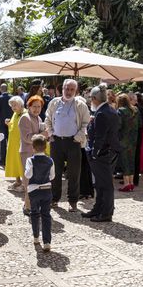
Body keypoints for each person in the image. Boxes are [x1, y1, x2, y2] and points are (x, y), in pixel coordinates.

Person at [44, 79, 91, 212]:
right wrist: (51, 134)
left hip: (73, 142)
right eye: (66, 89)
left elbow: (86, 123)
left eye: (71, 89)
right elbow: (47, 119)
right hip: (56, 142)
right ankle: (54, 198)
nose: (69, 92)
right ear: (62, 89)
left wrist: (78, 137)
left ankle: (72, 201)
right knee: (55, 172)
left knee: (74, 173)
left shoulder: (80, 105)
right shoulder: (54, 102)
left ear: (75, 91)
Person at [82, 84, 120, 222]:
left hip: (103, 153)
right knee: (100, 183)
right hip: (108, 151)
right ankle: (98, 208)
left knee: (105, 184)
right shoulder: (108, 109)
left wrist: (94, 153)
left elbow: (100, 136)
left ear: (94, 98)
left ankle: (106, 213)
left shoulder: (103, 113)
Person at [24, 134, 55, 252]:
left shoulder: (30, 160)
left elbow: (28, 175)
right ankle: (47, 242)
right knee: (46, 215)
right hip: (47, 190)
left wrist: (29, 170)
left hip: (34, 190)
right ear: (45, 147)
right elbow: (52, 176)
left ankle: (36, 237)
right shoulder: (50, 160)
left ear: (33, 148)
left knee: (35, 213)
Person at [19, 95, 49, 200]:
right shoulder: (25, 118)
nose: (37, 109)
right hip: (27, 153)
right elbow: (27, 138)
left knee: (36, 180)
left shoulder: (39, 118)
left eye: (39, 106)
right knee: (28, 181)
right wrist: (43, 135)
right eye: (34, 106)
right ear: (29, 106)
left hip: (37, 153)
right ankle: (27, 206)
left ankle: (34, 205)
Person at [116, 93, 141, 192]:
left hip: (123, 139)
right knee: (131, 161)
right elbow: (140, 124)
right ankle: (131, 182)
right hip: (133, 139)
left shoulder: (120, 111)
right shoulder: (135, 109)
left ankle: (126, 184)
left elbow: (118, 126)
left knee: (125, 161)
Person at [4, 96, 26, 189]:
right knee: (15, 162)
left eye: (15, 105)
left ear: (21, 104)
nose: (13, 107)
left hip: (21, 143)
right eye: (12, 106)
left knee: (22, 163)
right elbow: (13, 127)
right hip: (13, 143)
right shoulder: (15, 113)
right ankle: (17, 181)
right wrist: (8, 123)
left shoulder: (25, 114)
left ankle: (25, 183)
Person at [133, 93, 143, 186]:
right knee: (139, 154)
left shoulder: (136, 109)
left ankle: (132, 179)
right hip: (141, 133)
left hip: (136, 134)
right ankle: (135, 179)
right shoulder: (142, 108)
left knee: (135, 156)